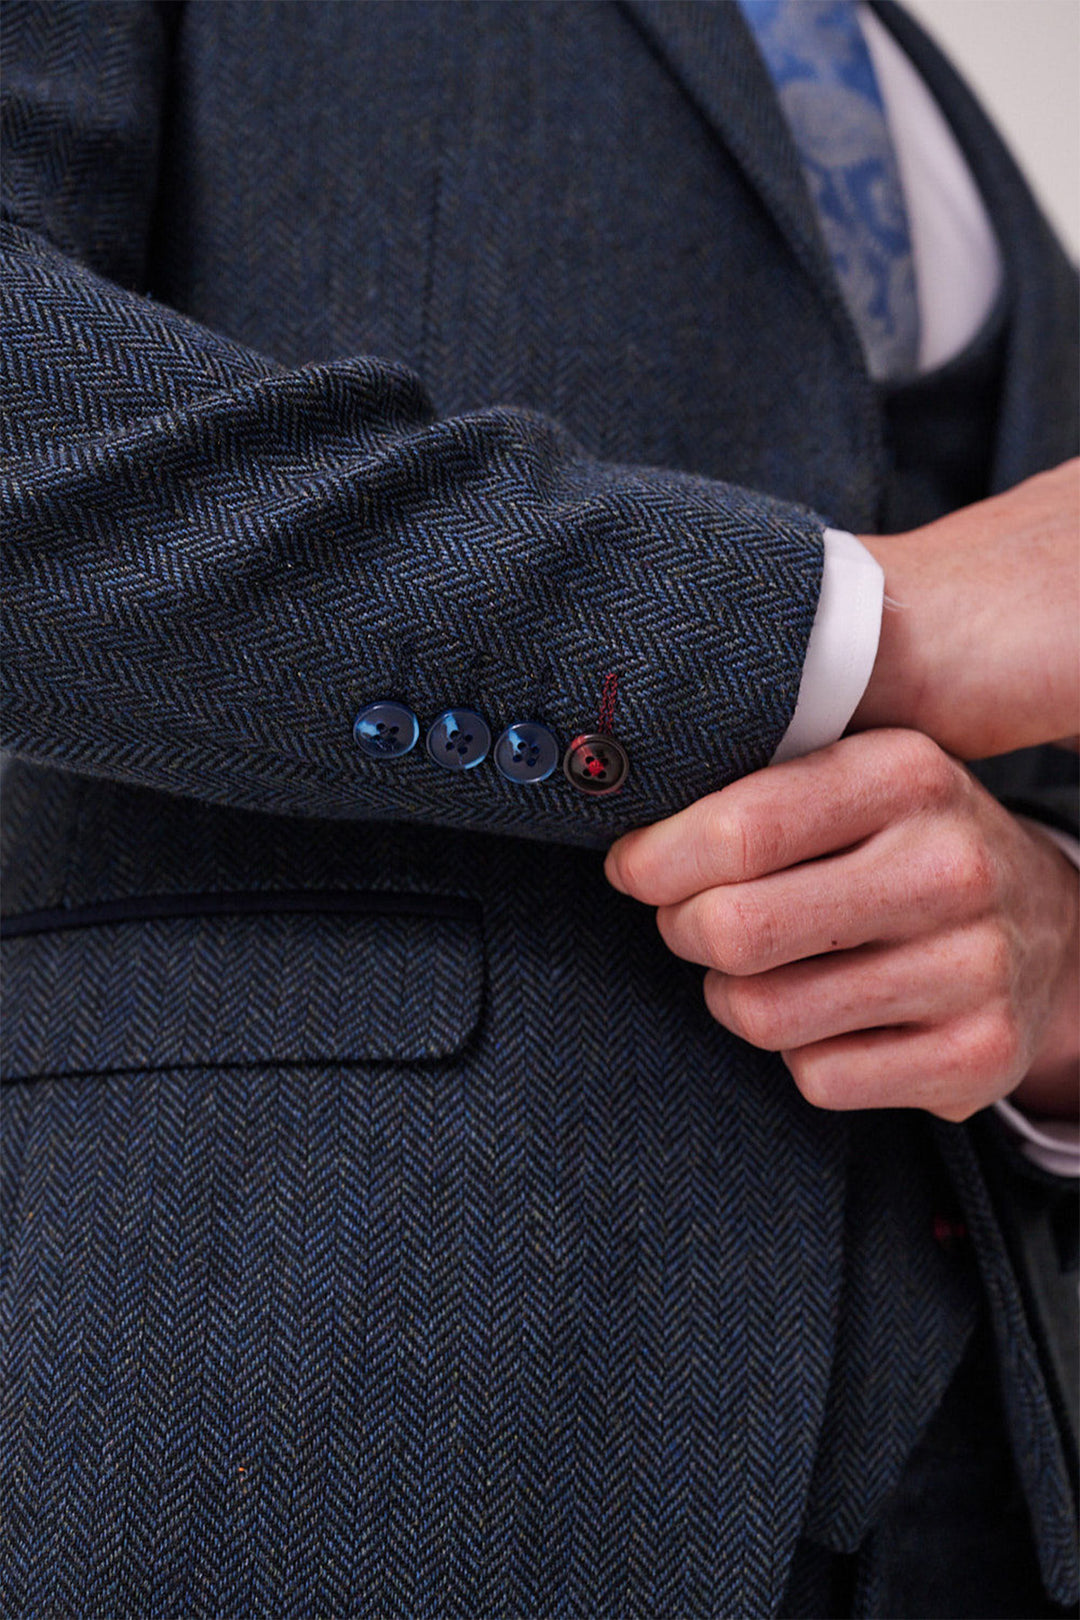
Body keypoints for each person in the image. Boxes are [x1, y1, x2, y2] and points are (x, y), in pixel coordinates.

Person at [1, 2, 1076, 1615]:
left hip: (985, 1462)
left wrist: (1055, 949)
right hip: (331, 1377)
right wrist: (858, 626)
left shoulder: (927, 97)